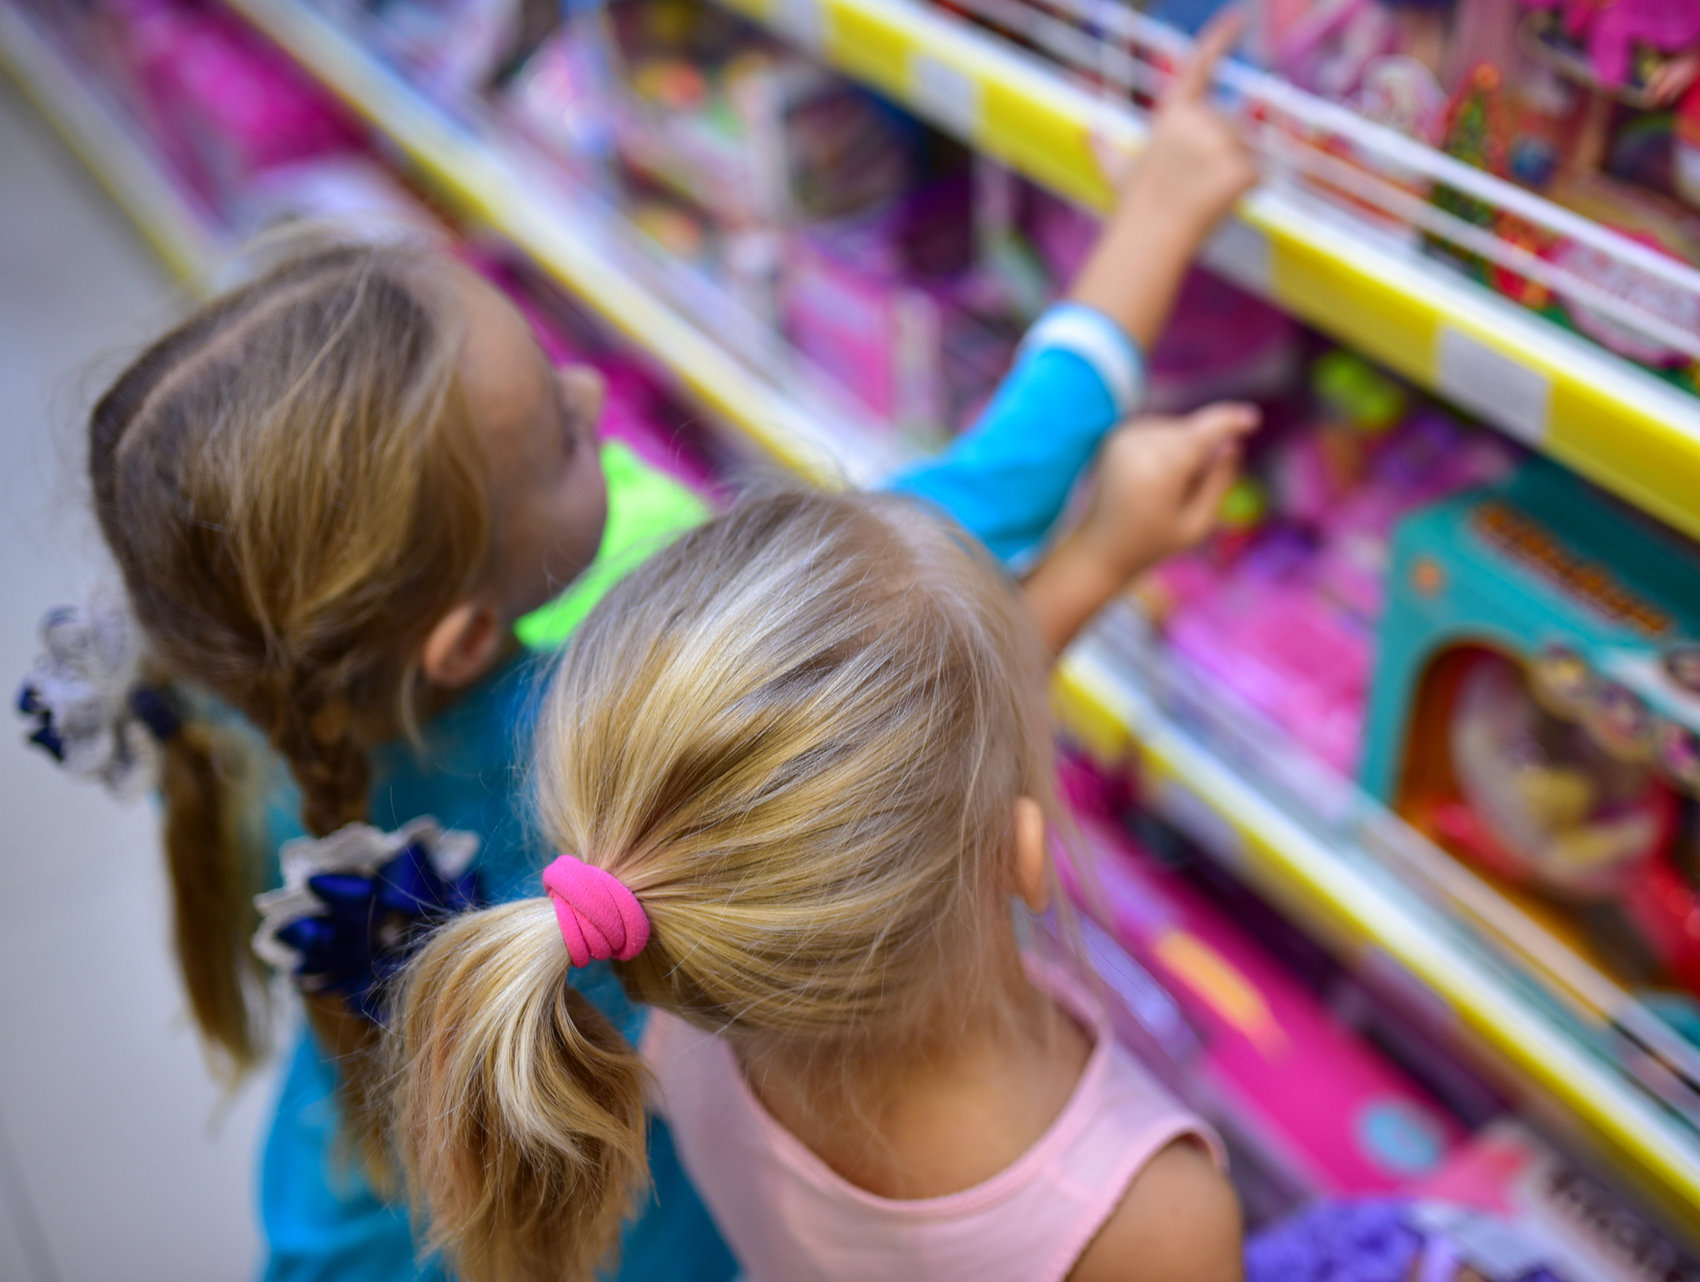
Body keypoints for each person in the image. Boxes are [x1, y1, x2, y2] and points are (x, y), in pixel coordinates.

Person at [23, 15, 1260, 1281]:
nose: (592, 399)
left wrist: (1089, 565)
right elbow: (965, 528)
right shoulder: (569, 736)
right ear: (456, 639)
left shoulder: (252, 698)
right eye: (556, 443)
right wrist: (1159, 221)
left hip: (349, 1214)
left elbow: (861, 726)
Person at [390, 480, 1249, 1282]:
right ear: (1026, 855)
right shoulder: (1156, 1219)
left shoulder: (687, 993)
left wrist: (1095, 564)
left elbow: (922, 789)